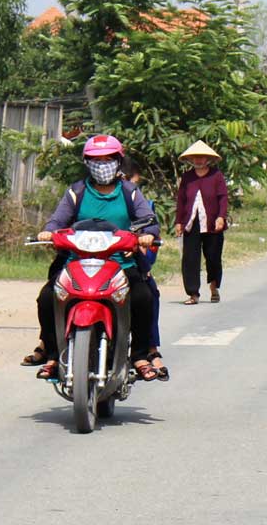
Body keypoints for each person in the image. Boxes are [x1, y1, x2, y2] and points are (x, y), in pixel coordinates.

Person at [24, 134, 160, 382]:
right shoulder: (76, 192)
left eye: (108, 159)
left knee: (143, 297)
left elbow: (148, 221)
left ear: (118, 162)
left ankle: (140, 356)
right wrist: (48, 231)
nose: (102, 164)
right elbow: (57, 220)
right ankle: (53, 355)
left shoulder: (130, 193)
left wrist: (147, 235)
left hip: (121, 264)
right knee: (47, 297)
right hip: (76, 264)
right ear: (87, 163)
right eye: (96, 160)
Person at [119, 156, 168, 381]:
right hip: (88, 258)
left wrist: (143, 240)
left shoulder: (135, 200)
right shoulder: (82, 193)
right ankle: (50, 348)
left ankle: (147, 349)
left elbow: (151, 226)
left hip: (127, 259)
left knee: (148, 293)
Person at [174, 140, 228, 305]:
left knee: (213, 257)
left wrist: (221, 216)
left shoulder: (216, 175)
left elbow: (223, 197)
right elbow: (181, 200)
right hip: (192, 222)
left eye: (201, 157)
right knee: (190, 258)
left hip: (212, 224)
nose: (198, 160)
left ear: (207, 159)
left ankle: (213, 287)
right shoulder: (187, 177)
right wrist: (178, 222)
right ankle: (193, 293)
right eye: (195, 157)